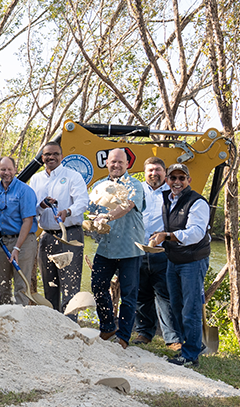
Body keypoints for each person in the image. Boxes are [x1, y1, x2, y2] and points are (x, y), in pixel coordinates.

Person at [149, 163, 211, 367]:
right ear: (167, 180)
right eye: (173, 178)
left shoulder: (198, 203)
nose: (176, 182)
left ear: (189, 180)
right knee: (176, 304)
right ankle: (193, 343)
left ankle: (190, 355)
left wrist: (166, 236)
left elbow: (195, 233)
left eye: (181, 178)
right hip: (174, 259)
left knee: (190, 307)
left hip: (193, 260)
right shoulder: (167, 199)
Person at [88, 148, 145, 349]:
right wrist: (91, 223)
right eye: (113, 162)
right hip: (106, 247)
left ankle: (123, 337)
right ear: (107, 163)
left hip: (130, 248)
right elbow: (92, 213)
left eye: (121, 162)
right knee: (97, 287)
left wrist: (107, 216)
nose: (116, 165)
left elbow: (127, 206)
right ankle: (107, 327)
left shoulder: (135, 185)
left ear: (127, 164)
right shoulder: (98, 186)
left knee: (129, 295)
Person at [29, 141, 89, 318]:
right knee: (50, 283)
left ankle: (70, 325)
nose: (51, 157)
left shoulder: (73, 176)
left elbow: (82, 202)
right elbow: (32, 209)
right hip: (47, 236)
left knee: (70, 284)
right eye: (47, 154)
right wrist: (41, 205)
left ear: (61, 157)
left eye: (55, 154)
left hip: (70, 235)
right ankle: (52, 324)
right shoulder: (36, 179)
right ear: (42, 158)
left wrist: (67, 212)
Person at [134, 157, 180, 350]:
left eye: (158, 170)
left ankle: (172, 338)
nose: (154, 173)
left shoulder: (173, 194)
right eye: (150, 170)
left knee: (165, 294)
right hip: (138, 249)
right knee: (140, 294)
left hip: (163, 252)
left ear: (165, 172)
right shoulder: (137, 191)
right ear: (145, 173)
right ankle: (144, 332)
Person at [0, 156, 38, 306]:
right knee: (2, 282)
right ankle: (5, 315)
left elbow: (27, 221)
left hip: (23, 241)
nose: (6, 172)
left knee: (21, 283)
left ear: (15, 170)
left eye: (9, 169)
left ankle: (20, 319)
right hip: (2, 241)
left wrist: (17, 247)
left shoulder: (25, 191)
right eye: (3, 169)